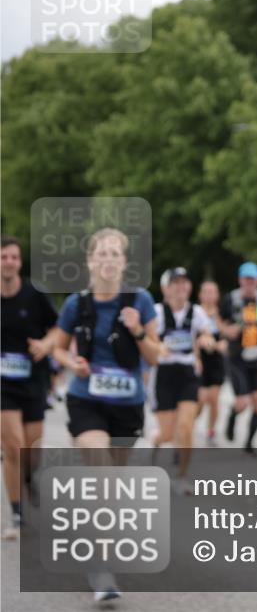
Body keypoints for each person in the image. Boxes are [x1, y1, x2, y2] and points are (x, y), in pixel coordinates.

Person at [50, 227, 162, 602]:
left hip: (128, 406)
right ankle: (101, 569)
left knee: (113, 488)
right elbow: (59, 351)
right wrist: (73, 363)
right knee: (102, 472)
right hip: (86, 400)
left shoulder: (140, 301)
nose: (109, 260)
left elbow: (155, 355)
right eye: (103, 253)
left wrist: (136, 330)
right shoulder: (76, 304)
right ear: (90, 260)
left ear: (124, 262)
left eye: (116, 254)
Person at [1, 236, 59, 540]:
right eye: (3, 257)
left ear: (20, 262)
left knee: (31, 448)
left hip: (33, 378)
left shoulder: (34, 294)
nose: (9, 262)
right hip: (2, 386)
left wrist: (46, 344)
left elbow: (56, 329)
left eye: (14, 257)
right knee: (12, 444)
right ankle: (17, 514)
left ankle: (28, 476)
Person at [151, 267, 214, 491]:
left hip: (187, 374)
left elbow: (206, 332)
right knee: (168, 433)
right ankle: (157, 442)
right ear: (165, 288)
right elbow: (148, 340)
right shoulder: (156, 312)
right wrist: (159, 346)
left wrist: (206, 339)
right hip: (165, 374)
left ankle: (182, 476)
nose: (181, 287)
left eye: (184, 283)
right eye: (175, 283)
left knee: (186, 427)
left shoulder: (196, 312)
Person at [219, 262, 257, 455]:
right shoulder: (231, 299)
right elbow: (218, 320)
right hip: (237, 357)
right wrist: (227, 330)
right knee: (242, 402)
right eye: (246, 279)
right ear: (240, 280)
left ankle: (249, 443)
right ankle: (233, 415)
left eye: (253, 279)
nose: (249, 283)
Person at [195, 279, 227, 446]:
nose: (209, 295)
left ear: (217, 295)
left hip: (216, 362)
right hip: (199, 361)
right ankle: (189, 424)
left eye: (212, 292)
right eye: (206, 291)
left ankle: (211, 431)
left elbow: (227, 335)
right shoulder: (195, 313)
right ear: (200, 294)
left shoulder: (220, 314)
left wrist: (223, 343)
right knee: (200, 400)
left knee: (214, 399)